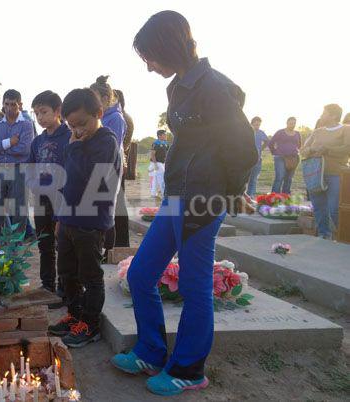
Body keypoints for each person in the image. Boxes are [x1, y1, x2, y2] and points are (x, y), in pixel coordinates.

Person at [111, 11, 257, 396]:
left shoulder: (214, 88)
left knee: (195, 288)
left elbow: (243, 149)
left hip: (202, 201)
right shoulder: (177, 87)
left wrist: (228, 191)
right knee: (142, 274)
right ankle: (151, 351)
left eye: (150, 58)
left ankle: (190, 369)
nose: (148, 67)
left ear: (168, 47)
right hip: (176, 197)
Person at [46, 88, 121, 348]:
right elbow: (67, 181)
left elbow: (89, 179)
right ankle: (75, 315)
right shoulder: (76, 140)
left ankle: (90, 325)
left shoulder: (106, 142)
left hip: (91, 223)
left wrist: (75, 148)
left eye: (82, 123)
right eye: (71, 125)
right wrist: (59, 218)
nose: (77, 130)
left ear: (99, 113)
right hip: (69, 220)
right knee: (67, 273)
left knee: (90, 276)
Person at [26, 90, 70, 299]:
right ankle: (47, 285)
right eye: (36, 113)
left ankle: (64, 286)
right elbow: (29, 169)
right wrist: (33, 184)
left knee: (63, 243)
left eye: (44, 112)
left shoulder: (70, 137)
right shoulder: (37, 142)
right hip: (42, 200)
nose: (40, 117)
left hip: (63, 199)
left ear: (58, 111)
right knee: (44, 243)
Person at [0, 89, 34, 236]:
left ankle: (17, 247)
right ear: (2, 104)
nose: (9, 108)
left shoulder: (27, 125)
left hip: (19, 170)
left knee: (19, 210)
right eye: (7, 104)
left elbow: (24, 149)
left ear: (20, 105)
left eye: (13, 104)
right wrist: (9, 142)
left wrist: (0, 148)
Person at [91, 75, 129, 250]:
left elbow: (109, 146)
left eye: (95, 98)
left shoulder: (116, 118)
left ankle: (117, 247)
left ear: (106, 99)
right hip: (102, 167)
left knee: (115, 208)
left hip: (111, 168)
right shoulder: (103, 116)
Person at [300, 104, 350, 239]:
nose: (321, 116)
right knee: (319, 207)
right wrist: (310, 150)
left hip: (335, 174)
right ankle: (324, 235)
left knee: (335, 209)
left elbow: (347, 148)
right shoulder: (317, 132)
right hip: (315, 176)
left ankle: (344, 237)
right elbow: (303, 150)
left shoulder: (346, 130)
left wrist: (327, 149)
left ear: (333, 115)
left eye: (324, 113)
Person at [269, 117, 301, 194]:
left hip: (293, 158)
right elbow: (271, 143)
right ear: (287, 123)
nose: (292, 125)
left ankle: (285, 197)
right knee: (279, 177)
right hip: (280, 157)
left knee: (289, 178)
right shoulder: (280, 132)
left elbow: (299, 145)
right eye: (290, 123)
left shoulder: (297, 133)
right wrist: (275, 152)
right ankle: (274, 197)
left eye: (294, 123)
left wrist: (294, 151)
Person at [247, 116, 269, 197]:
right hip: (247, 159)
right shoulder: (247, 132)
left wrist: (261, 149)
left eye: (258, 125)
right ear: (251, 124)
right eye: (255, 125)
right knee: (245, 179)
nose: (257, 127)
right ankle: (243, 196)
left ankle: (251, 195)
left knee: (253, 179)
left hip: (257, 159)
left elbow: (267, 141)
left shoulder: (261, 133)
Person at [150, 130, 169, 198]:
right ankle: (164, 194)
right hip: (156, 162)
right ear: (159, 136)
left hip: (163, 163)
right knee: (161, 178)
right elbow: (152, 154)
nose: (166, 136)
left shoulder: (166, 143)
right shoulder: (156, 143)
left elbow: (167, 154)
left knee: (156, 178)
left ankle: (153, 193)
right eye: (164, 134)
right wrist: (155, 164)